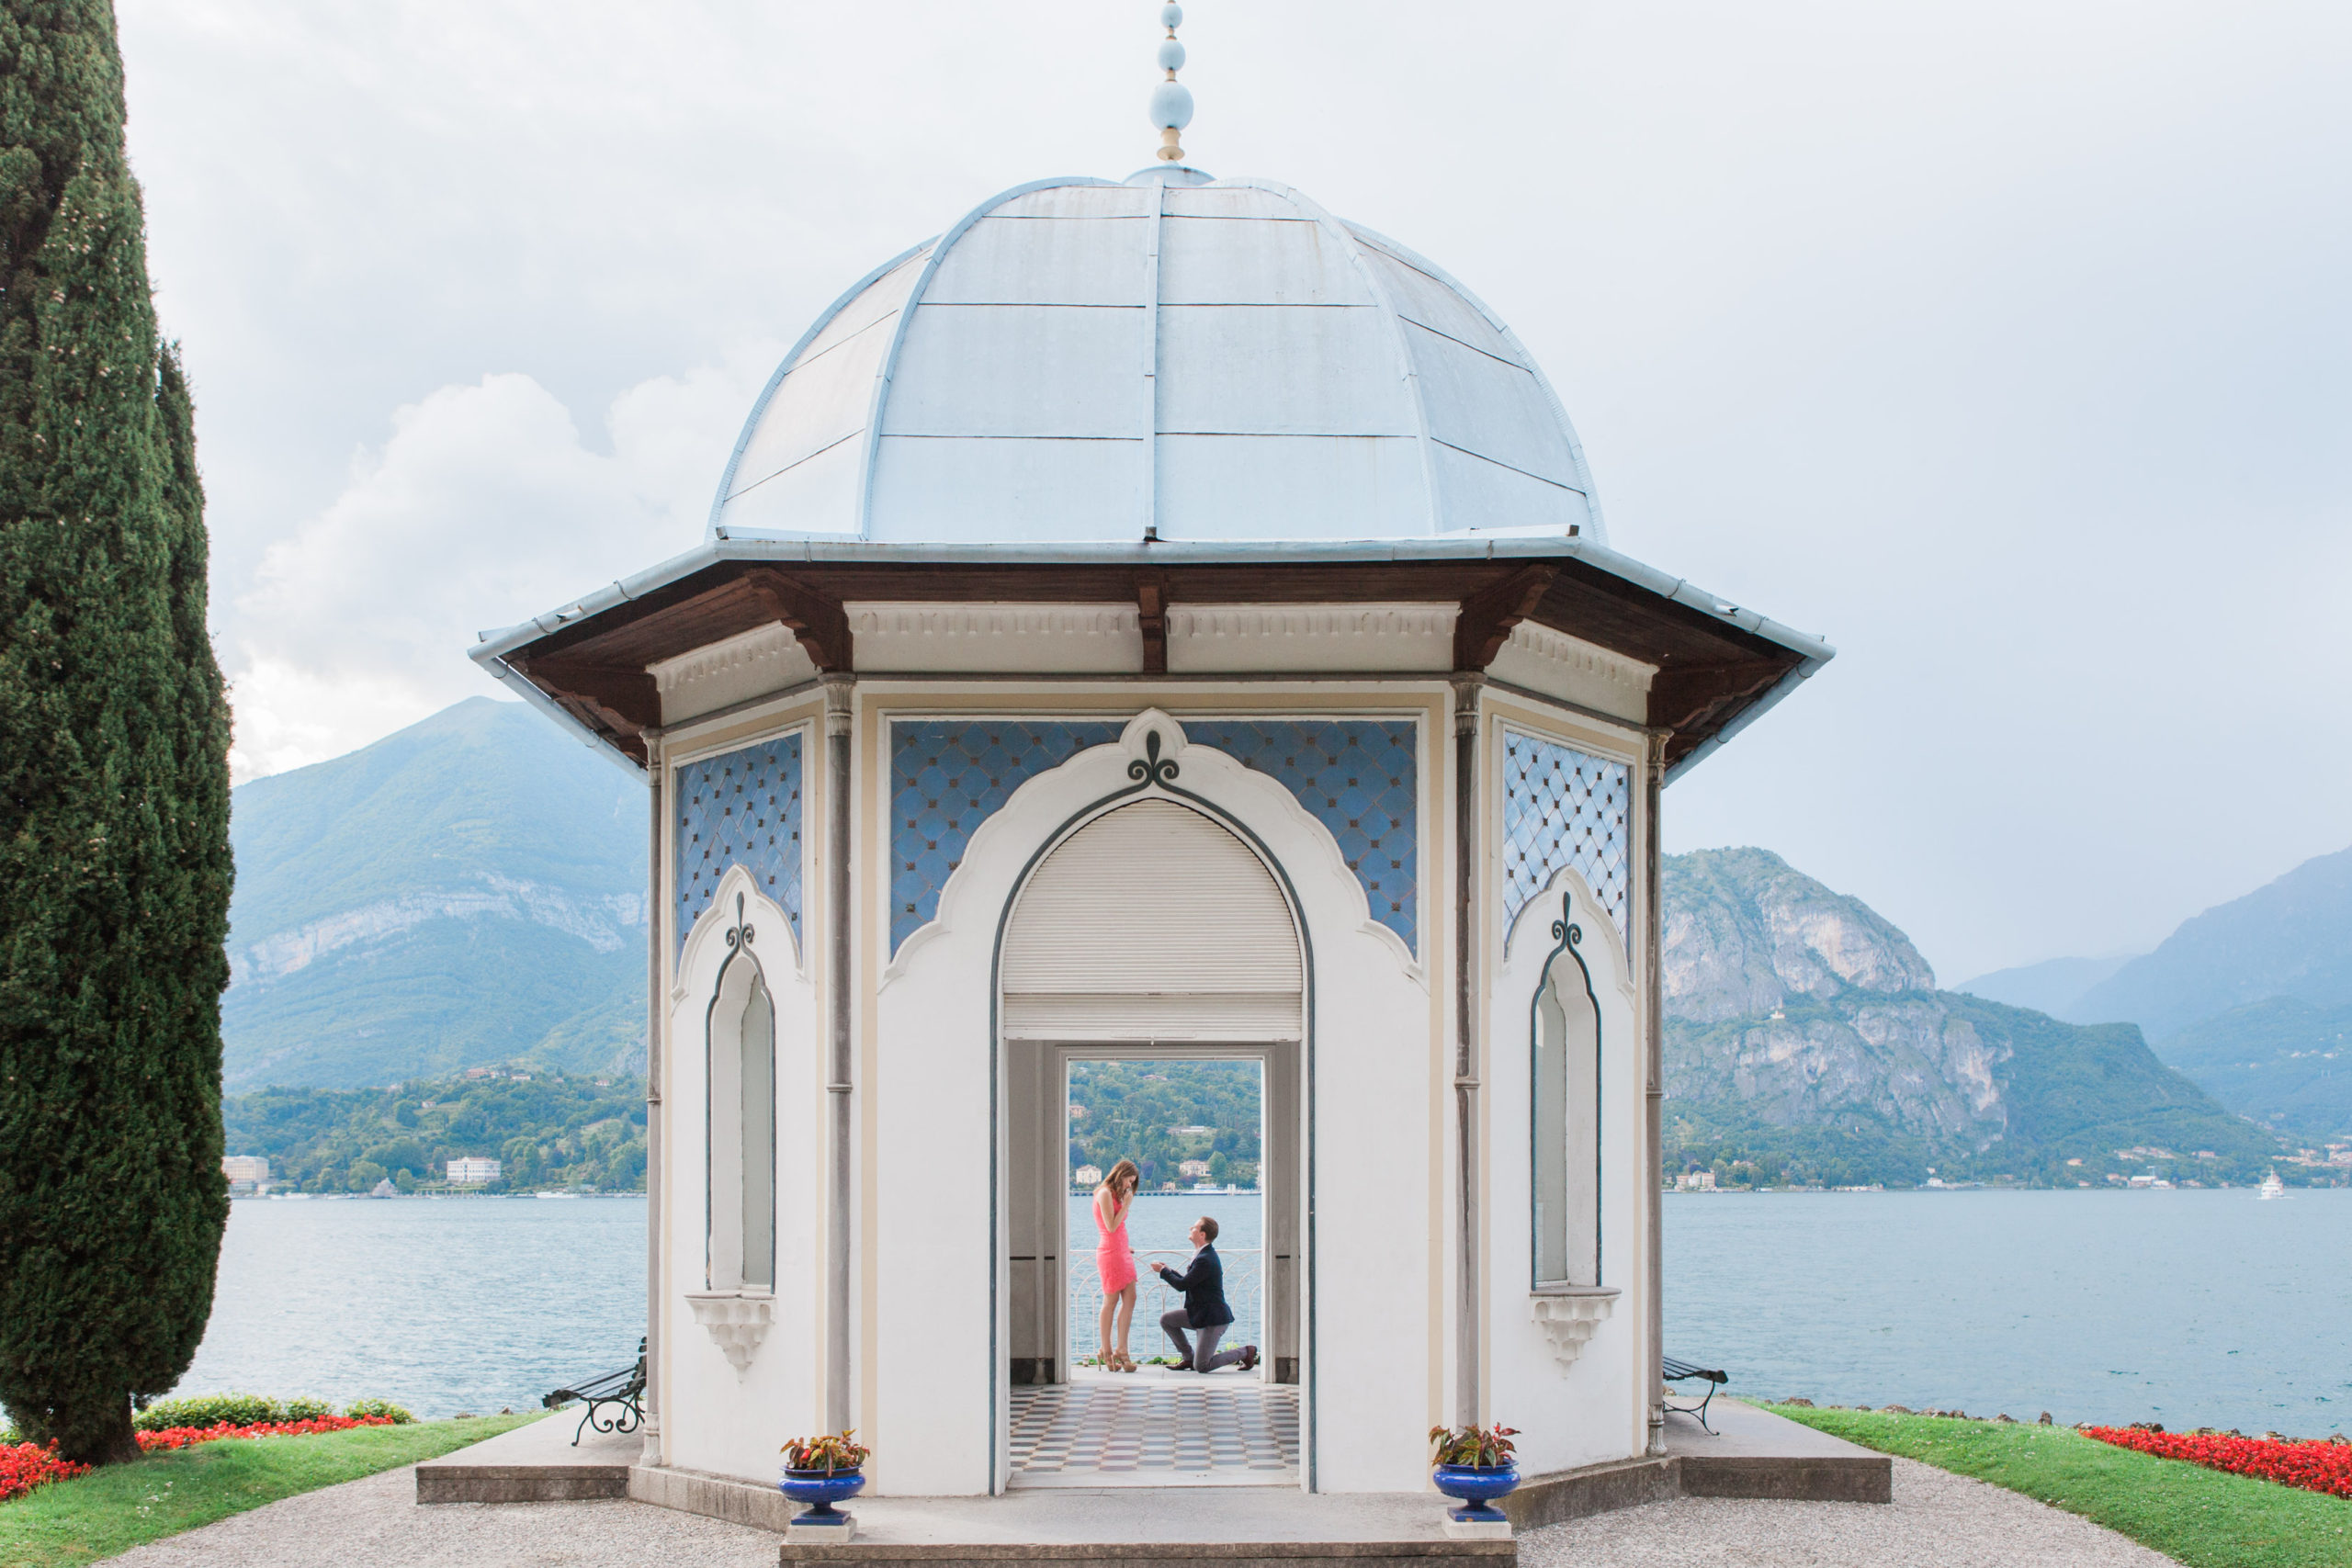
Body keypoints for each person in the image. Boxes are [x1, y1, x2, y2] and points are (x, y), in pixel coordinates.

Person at [1152, 1215, 1258, 1374]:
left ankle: (1245, 1352)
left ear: (1202, 1235)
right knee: (1167, 1320)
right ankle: (1188, 1357)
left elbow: (1182, 1286)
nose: (1190, 1228)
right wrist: (1169, 1270)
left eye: (1194, 1227)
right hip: (1200, 1314)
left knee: (1202, 1366)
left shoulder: (1205, 1259)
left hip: (1212, 1319)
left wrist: (1163, 1271)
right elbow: (1189, 1281)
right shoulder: (1202, 1255)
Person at [1092, 1159, 1141, 1372]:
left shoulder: (1117, 1194)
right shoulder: (1104, 1193)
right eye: (1129, 1180)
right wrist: (1127, 1205)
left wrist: (1125, 1247)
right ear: (1121, 1174)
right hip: (1110, 1252)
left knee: (1130, 1298)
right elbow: (1111, 1226)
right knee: (1110, 1300)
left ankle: (1122, 1348)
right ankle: (1106, 1348)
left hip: (1121, 1251)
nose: (1129, 1185)